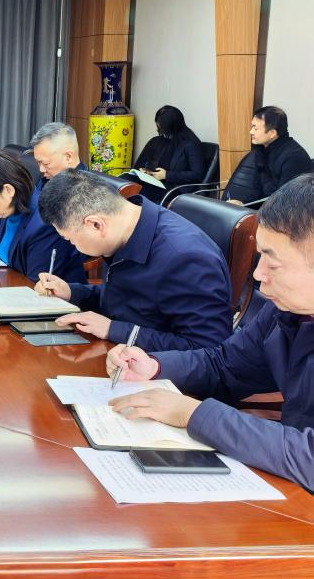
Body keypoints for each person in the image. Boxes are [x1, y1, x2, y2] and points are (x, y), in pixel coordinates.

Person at [106, 174, 314, 490]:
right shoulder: (286, 311)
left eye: (273, 263)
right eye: (259, 257)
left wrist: (193, 415)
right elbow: (225, 366)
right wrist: (155, 366)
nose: (258, 276)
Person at [34, 168, 232, 351]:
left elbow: (207, 351)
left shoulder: (186, 258)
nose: (72, 245)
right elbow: (127, 300)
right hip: (122, 354)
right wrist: (72, 292)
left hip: (160, 370)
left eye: (69, 238)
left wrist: (113, 329)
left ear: (96, 225)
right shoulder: (126, 228)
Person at [0, 148, 86, 283]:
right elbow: (7, 237)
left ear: (8, 190)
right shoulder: (13, 207)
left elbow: (36, 284)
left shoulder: (44, 225)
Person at [226, 106, 310, 206]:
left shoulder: (294, 158)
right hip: (267, 208)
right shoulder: (262, 150)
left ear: (272, 133)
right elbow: (258, 189)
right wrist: (243, 203)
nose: (251, 132)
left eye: (255, 128)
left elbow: (287, 201)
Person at [128, 105, 205, 202]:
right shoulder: (158, 141)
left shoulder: (190, 144)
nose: (158, 130)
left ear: (171, 126)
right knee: (125, 183)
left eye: (161, 128)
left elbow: (197, 174)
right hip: (155, 183)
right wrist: (146, 171)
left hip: (174, 189)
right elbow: (140, 164)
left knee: (136, 194)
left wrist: (167, 175)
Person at [28, 122, 88, 209]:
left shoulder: (83, 196)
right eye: (38, 162)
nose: (41, 169)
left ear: (68, 157)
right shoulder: (49, 177)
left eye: (46, 164)